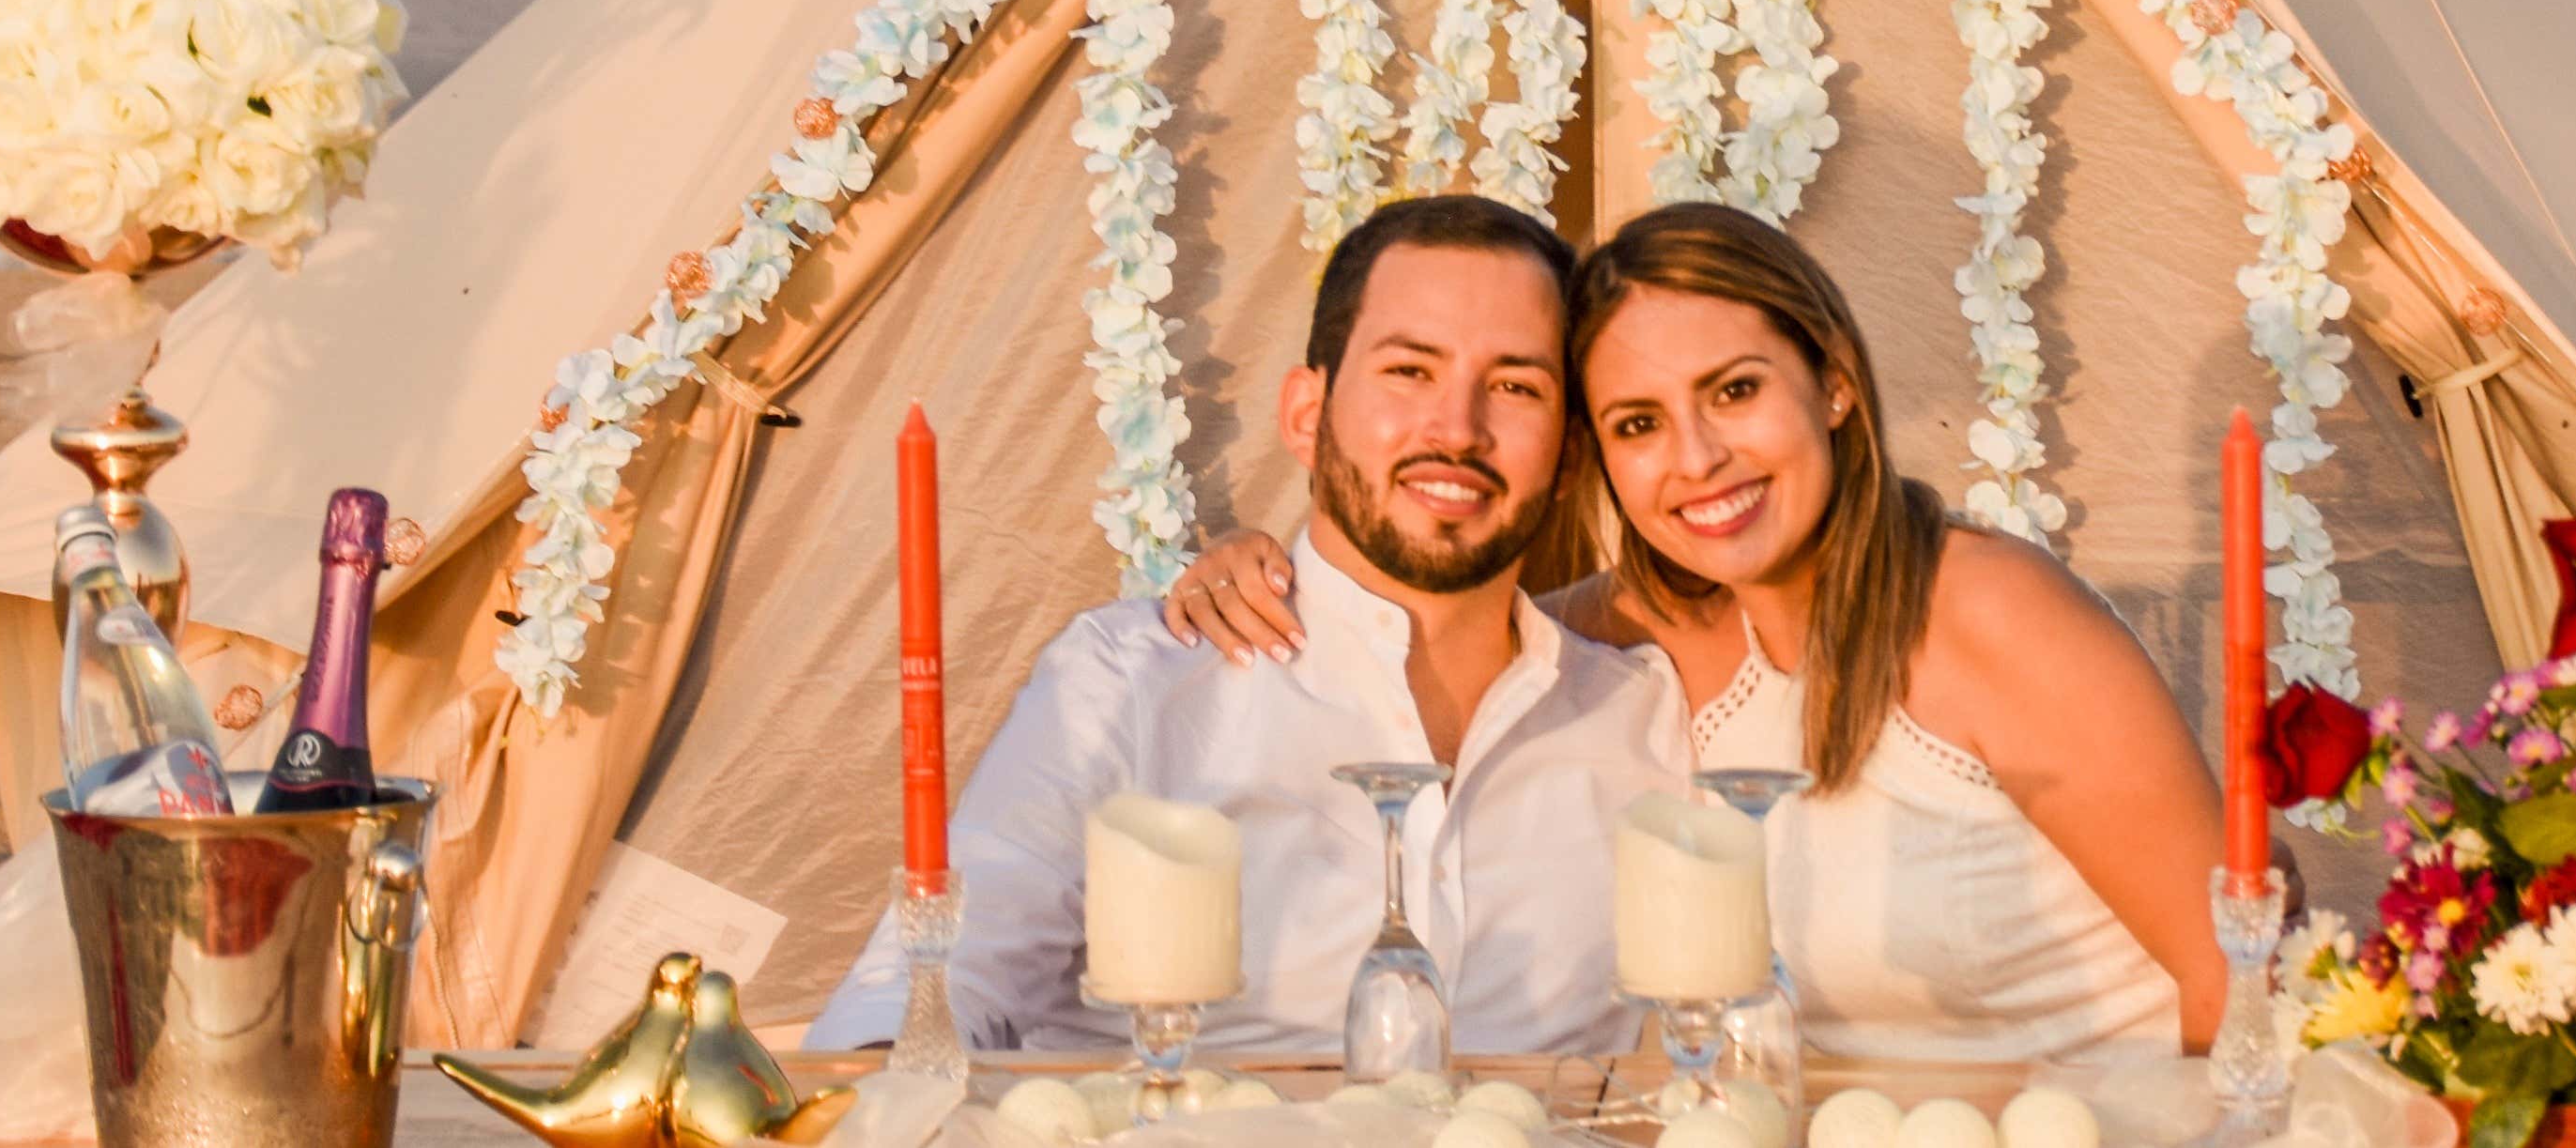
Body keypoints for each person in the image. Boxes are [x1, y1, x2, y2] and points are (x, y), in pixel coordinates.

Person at [1159, 202, 2228, 1061]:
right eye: (1638, 423)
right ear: (1595, 458)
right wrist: (1260, 562)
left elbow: (2235, 988)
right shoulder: (1640, 635)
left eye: (1735, 390)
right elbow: (1439, 614)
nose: (1698, 457)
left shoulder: (1982, 608)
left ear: (1837, 382)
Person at [803, 195, 1689, 1055]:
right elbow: (935, 989)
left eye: (1515, 384)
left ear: (1571, 453)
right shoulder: (1134, 683)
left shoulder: (1644, 723)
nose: (1457, 428)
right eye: (1409, 370)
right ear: (1307, 414)